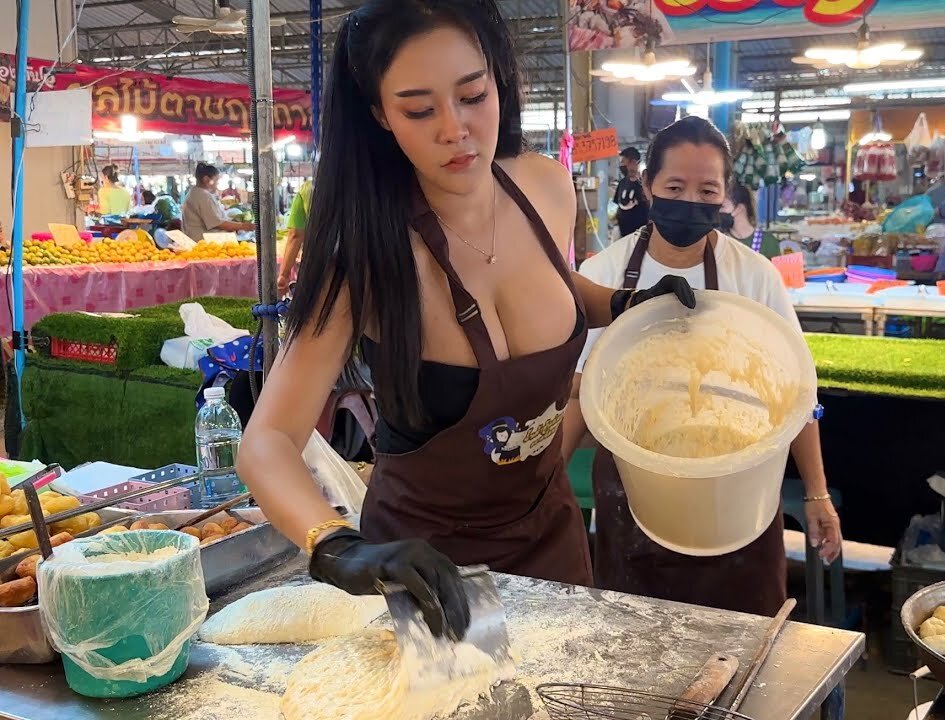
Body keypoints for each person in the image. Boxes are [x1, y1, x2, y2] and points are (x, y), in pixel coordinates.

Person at [236, 0, 695, 638]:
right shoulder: (368, 256)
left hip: (552, 538)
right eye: (419, 110)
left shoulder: (544, 186)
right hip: (424, 573)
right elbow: (267, 442)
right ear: (382, 118)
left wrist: (619, 304)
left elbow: (553, 288)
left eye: (473, 96)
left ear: (497, 83)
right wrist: (336, 545)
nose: (455, 129)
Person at [560, 116, 842, 617]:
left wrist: (817, 493)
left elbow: (799, 393)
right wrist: (543, 490)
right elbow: (582, 393)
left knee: (744, 643)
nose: (690, 201)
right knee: (634, 642)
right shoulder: (603, 275)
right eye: (674, 186)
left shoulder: (752, 276)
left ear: (725, 194)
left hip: (742, 487)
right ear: (647, 187)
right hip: (634, 490)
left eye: (707, 189)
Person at [182, 162, 254, 241]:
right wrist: (243, 226)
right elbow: (218, 223)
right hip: (204, 243)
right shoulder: (203, 195)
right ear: (207, 179)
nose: (216, 185)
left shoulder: (194, 192)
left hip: (197, 239)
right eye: (216, 181)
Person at [720, 181, 780, 258]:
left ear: (739, 208)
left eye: (722, 207)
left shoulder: (768, 242)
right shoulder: (719, 241)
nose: (719, 211)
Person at [278, 179, 312, 296]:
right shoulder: (366, 182)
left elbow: (296, 235)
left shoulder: (308, 188)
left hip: (319, 263)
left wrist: (284, 275)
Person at [614, 146, 648, 238]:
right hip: (623, 235)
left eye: (623, 162)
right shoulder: (622, 183)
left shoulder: (644, 184)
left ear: (633, 162)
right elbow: (618, 204)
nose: (621, 166)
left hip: (640, 236)